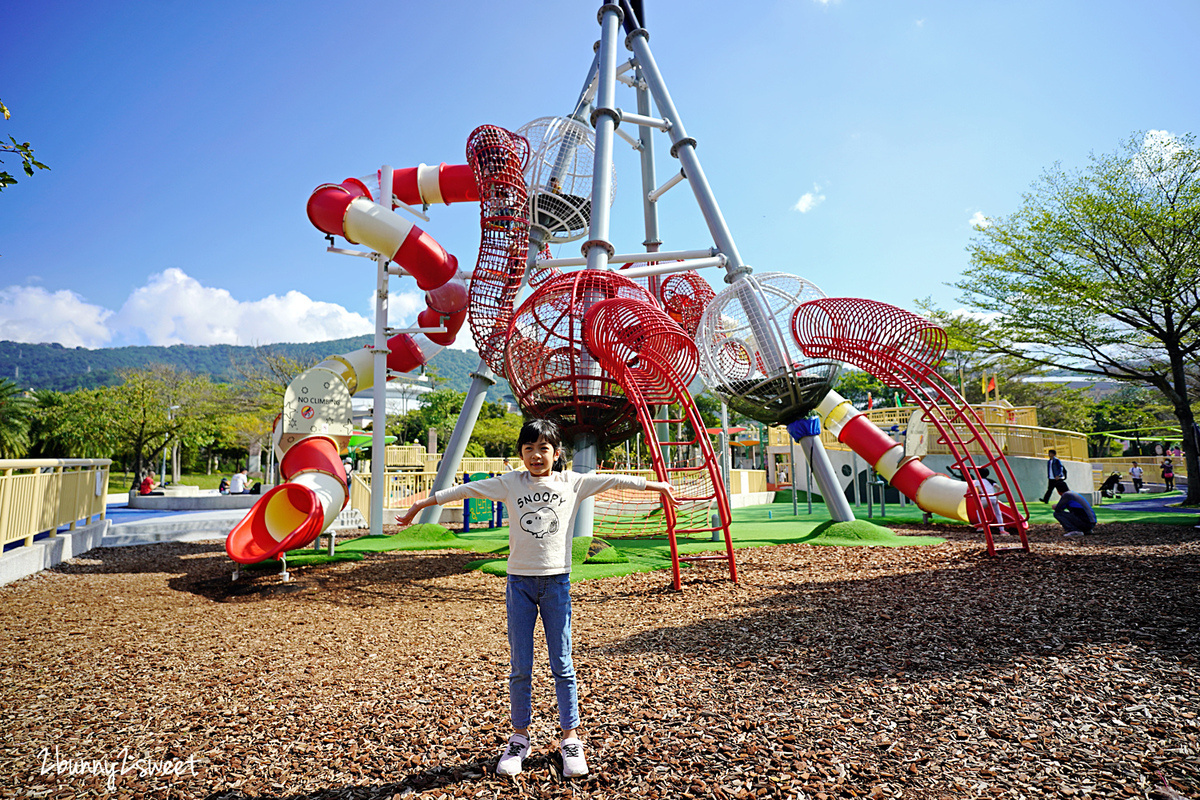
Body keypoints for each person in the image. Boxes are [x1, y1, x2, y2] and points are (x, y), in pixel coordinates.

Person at [395, 419, 678, 778]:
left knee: (562, 663)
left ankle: (570, 739)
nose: (536, 455)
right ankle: (519, 738)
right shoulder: (510, 482)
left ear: (556, 453)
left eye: (543, 448)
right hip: (520, 585)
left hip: (556, 584)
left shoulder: (572, 482)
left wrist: (658, 485)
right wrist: (421, 504)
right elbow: (466, 490)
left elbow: (618, 480)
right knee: (520, 667)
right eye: (528, 449)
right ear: (521, 453)